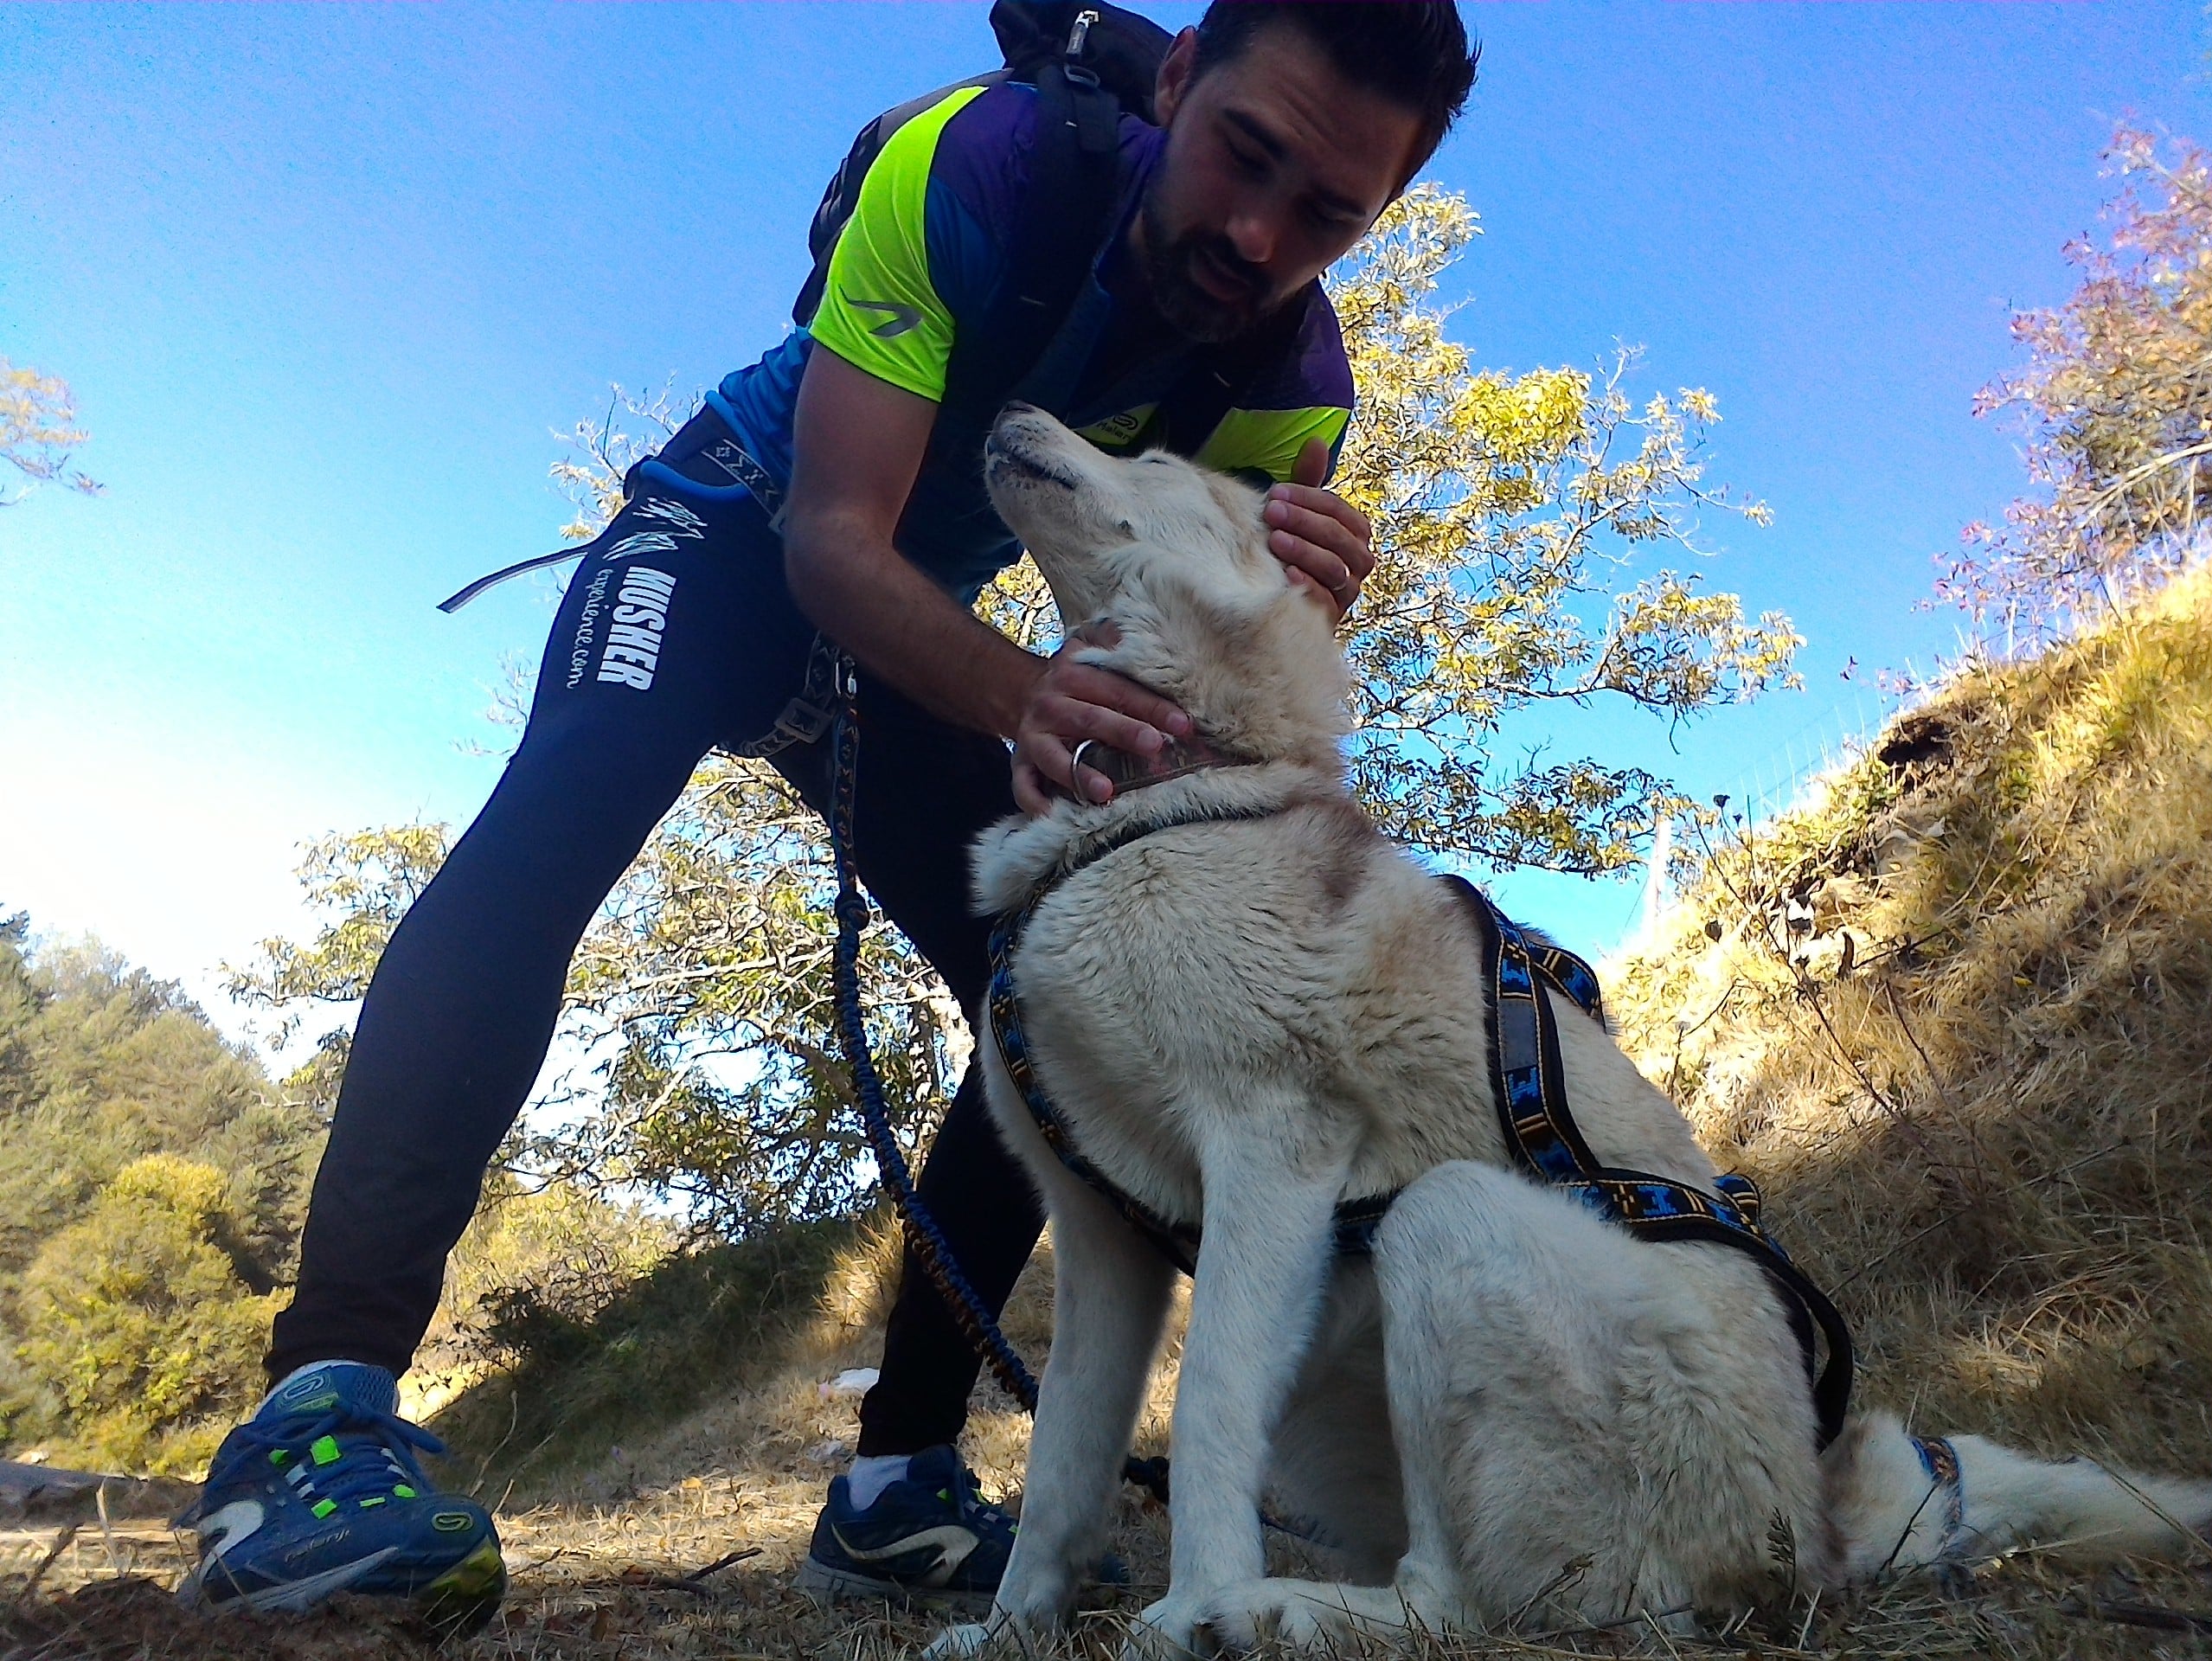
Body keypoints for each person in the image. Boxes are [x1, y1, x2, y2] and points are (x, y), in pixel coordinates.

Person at [179, 0, 1478, 1626]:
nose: (1256, 231)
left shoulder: (1293, 381)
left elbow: (1174, 644)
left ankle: (894, 1483)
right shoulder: (980, 165)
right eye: (1244, 153)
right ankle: (319, 1415)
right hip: (736, 535)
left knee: (1045, 996)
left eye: (1329, 215)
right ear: (1173, 82)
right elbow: (829, 544)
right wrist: (1023, 699)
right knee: (556, 822)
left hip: (922, 636)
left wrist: (1297, 619)